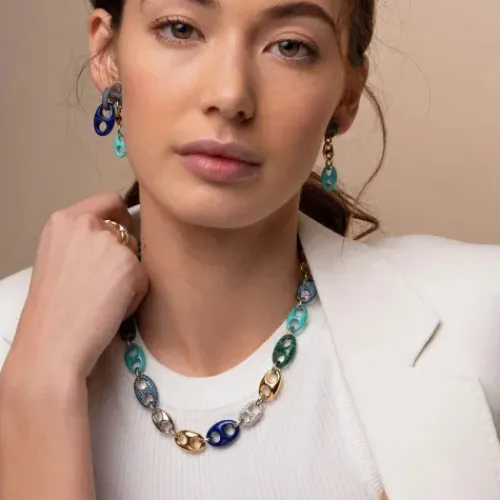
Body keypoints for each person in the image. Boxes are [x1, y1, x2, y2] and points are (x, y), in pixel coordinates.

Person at [0, 0, 499, 499]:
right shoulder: (12, 343)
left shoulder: (478, 317)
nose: (230, 94)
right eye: (181, 29)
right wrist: (38, 387)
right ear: (108, 54)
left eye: (290, 46)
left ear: (347, 95)